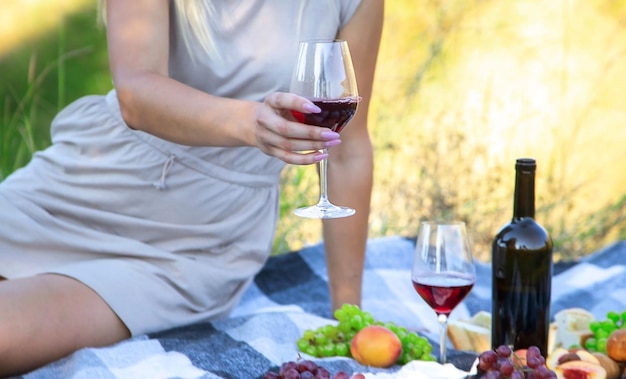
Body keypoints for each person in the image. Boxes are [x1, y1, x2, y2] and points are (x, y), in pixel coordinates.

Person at [0, 0, 383, 375]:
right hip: (85, 188)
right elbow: (136, 93)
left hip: (193, 249)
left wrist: (349, 317)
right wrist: (250, 123)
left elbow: (347, 148)